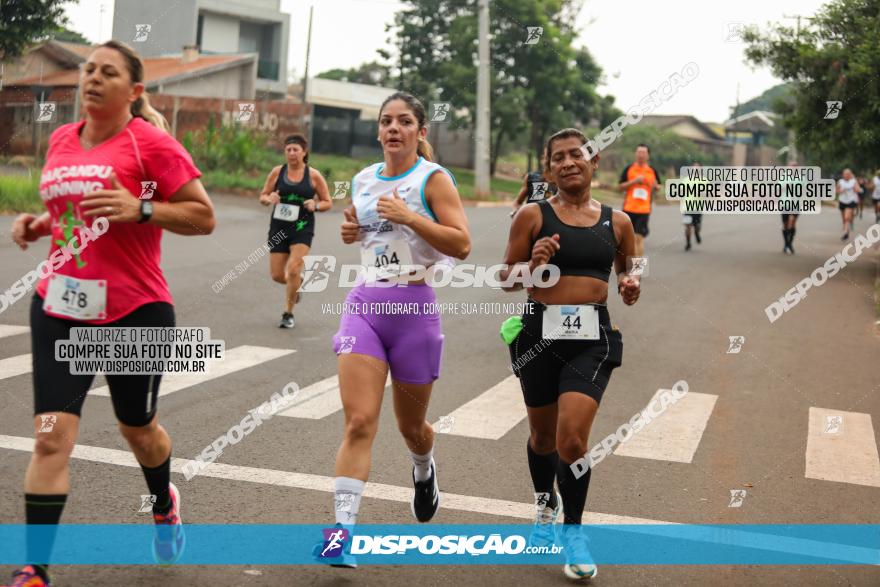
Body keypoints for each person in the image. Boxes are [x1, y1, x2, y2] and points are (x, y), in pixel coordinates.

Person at [5, 40, 215, 587]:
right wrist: (41, 224)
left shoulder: (150, 145)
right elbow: (75, 213)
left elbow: (202, 216)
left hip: (133, 310)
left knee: (137, 428)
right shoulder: (60, 139)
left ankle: (163, 502)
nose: (92, 79)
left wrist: (141, 207)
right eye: (88, 70)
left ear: (135, 90)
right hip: (61, 304)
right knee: (51, 436)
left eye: (108, 72)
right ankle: (36, 569)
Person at [324, 91, 471, 568]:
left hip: (415, 309)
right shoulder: (364, 180)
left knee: (411, 427)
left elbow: (462, 244)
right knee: (359, 421)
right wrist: (353, 232)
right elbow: (367, 232)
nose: (393, 128)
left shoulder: (434, 179)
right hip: (365, 304)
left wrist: (410, 216)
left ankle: (424, 468)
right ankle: (340, 533)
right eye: (386, 121)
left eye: (404, 121)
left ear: (420, 131)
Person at [500, 128, 639, 581]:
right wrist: (533, 264)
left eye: (576, 154)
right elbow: (506, 277)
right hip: (539, 335)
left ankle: (574, 535)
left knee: (572, 439)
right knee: (542, 438)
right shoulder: (531, 216)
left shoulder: (618, 223)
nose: (567, 162)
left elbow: (628, 275)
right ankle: (545, 504)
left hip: (591, 340)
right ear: (548, 168)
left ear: (594, 161)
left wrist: (630, 286)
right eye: (557, 157)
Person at [259, 134, 331, 328]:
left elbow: (327, 202)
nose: (291, 153)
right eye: (288, 150)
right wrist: (269, 198)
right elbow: (263, 195)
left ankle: (288, 313)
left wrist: (315, 205)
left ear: (304, 152)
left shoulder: (313, 175)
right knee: (276, 275)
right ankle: (296, 285)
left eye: (295, 150)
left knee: (292, 270)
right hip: (279, 227)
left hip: (302, 228)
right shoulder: (277, 172)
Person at [618, 144, 660, 257]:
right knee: (628, 240)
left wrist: (656, 186)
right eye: (639, 152)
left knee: (638, 238)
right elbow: (620, 187)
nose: (641, 155)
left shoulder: (652, 171)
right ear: (635, 154)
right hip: (629, 208)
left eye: (643, 153)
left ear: (648, 155)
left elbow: (658, 186)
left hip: (644, 210)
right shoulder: (629, 169)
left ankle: (636, 271)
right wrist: (634, 181)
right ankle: (630, 268)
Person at [511, 147, 558, 217]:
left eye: (554, 157)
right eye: (547, 157)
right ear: (543, 159)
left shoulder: (565, 180)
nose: (549, 160)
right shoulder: (534, 178)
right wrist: (516, 212)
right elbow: (518, 202)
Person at [781, 159, 802, 254]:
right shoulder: (783, 177)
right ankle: (786, 244)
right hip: (785, 203)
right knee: (785, 225)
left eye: (795, 167)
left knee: (792, 223)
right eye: (791, 167)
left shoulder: (801, 178)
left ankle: (790, 243)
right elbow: (779, 188)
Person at [682, 161, 704, 251]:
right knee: (687, 226)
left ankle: (697, 234)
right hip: (687, 208)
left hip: (698, 208)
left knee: (697, 226)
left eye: (697, 167)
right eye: (693, 167)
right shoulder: (686, 180)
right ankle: (688, 243)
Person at [836, 168, 861, 240]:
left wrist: (855, 189)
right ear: (843, 175)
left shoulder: (853, 181)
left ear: (850, 175)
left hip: (851, 201)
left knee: (847, 217)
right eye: (845, 174)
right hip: (842, 201)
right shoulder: (840, 182)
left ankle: (846, 233)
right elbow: (836, 190)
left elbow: (858, 189)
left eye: (848, 174)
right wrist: (840, 190)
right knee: (844, 219)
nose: (846, 175)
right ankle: (847, 229)